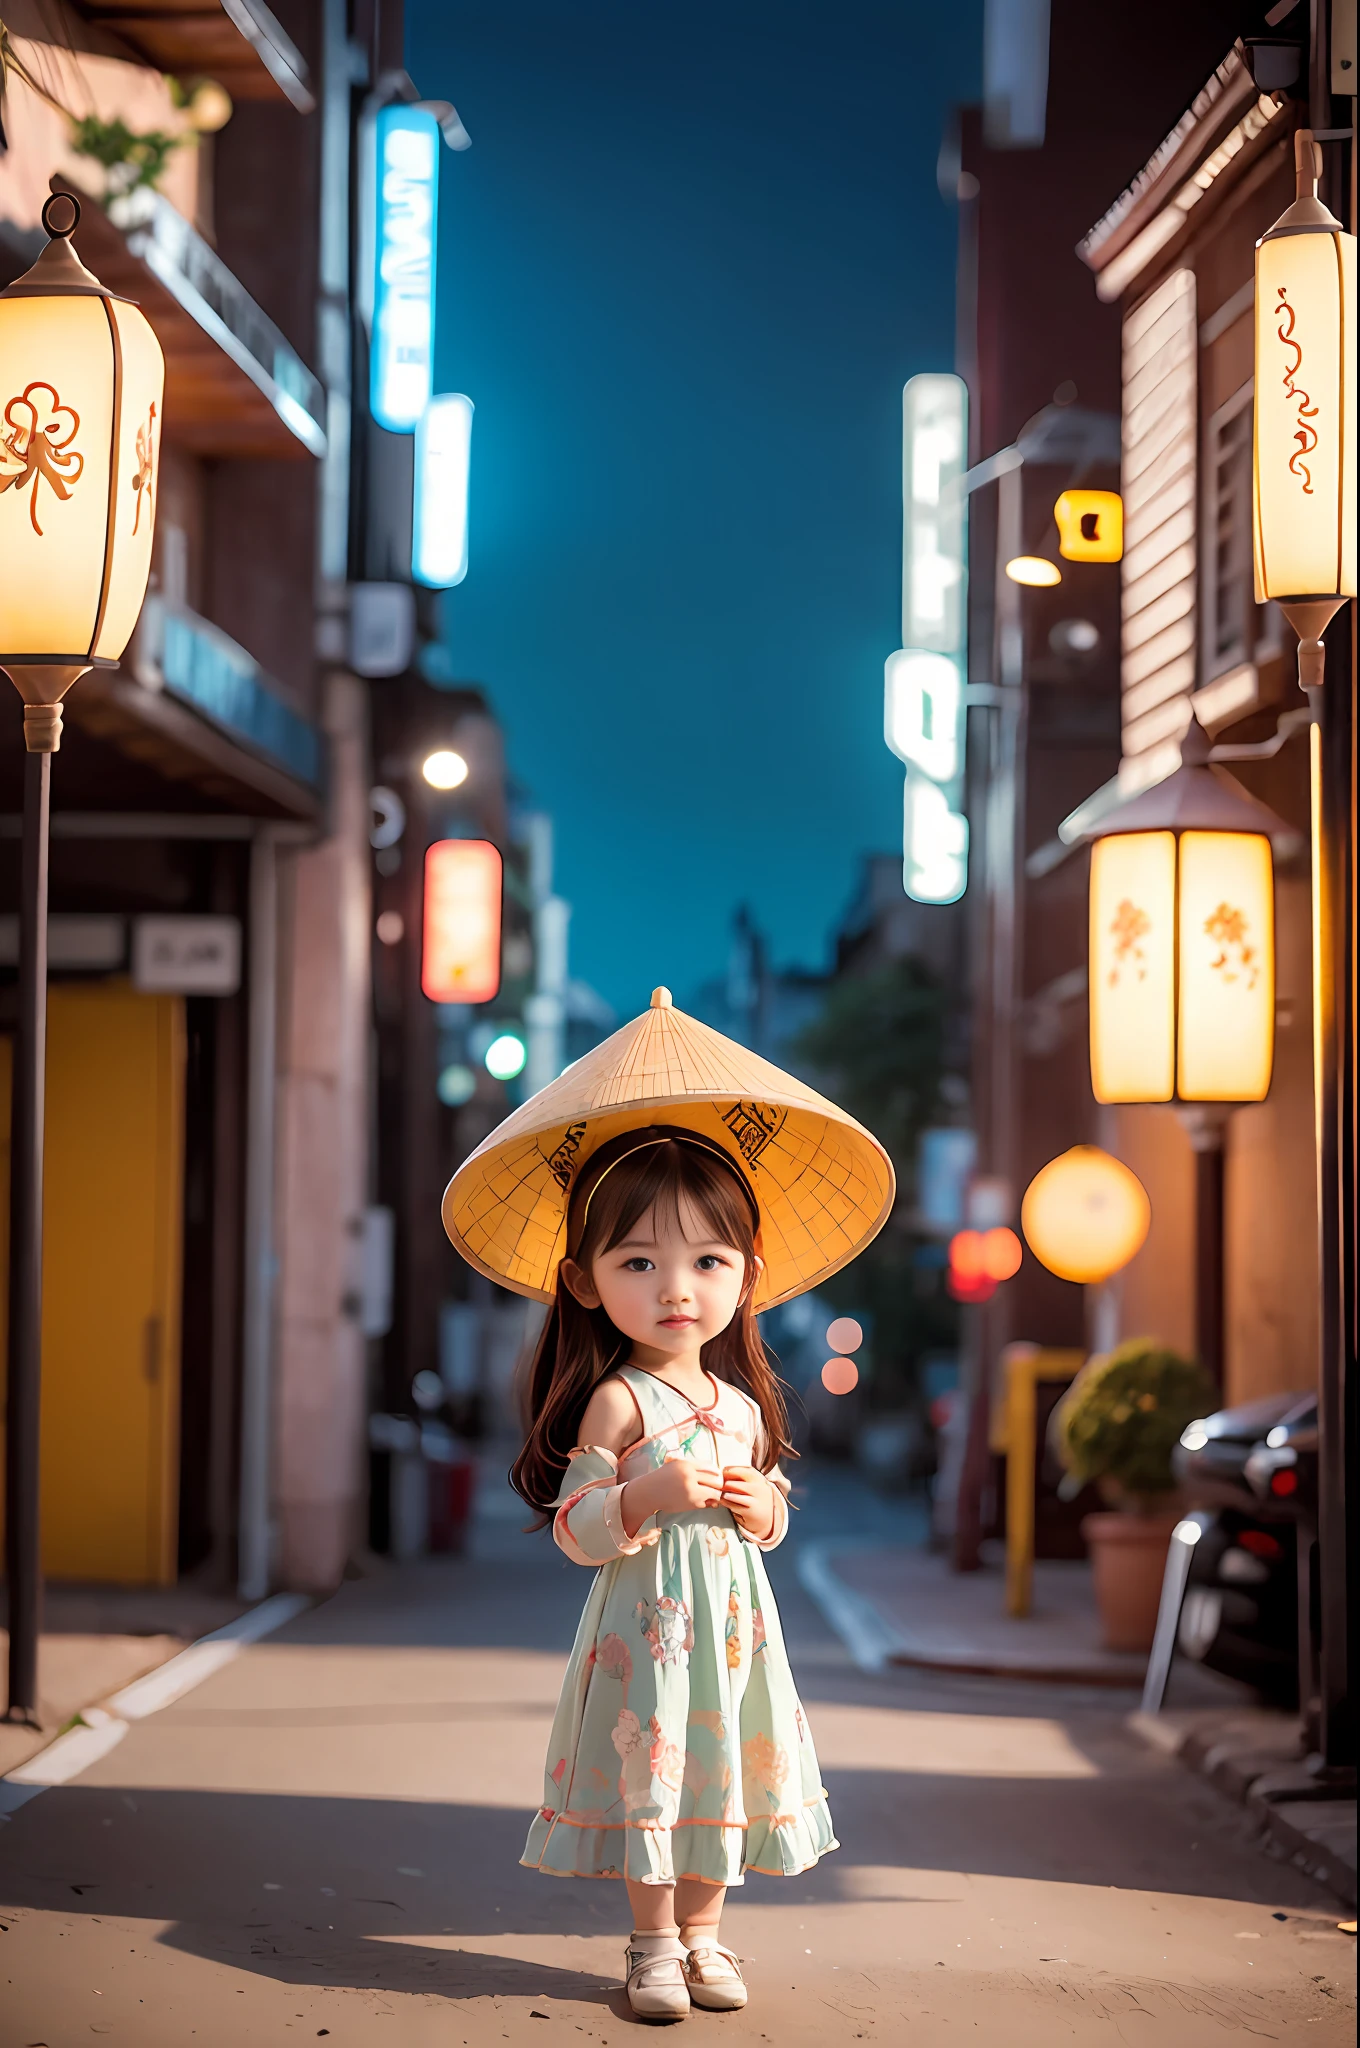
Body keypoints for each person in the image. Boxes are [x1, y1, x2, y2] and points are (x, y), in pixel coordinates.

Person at [441, 988, 893, 2022]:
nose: (675, 1285)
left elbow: (773, 1507)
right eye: (638, 1261)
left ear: (746, 1275)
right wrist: (641, 1490)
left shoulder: (739, 1401)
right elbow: (575, 1525)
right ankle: (650, 1941)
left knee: (719, 1765)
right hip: (647, 1632)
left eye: (706, 1260)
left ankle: (705, 1934)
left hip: (732, 1634)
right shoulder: (618, 1396)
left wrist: (757, 1503)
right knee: (656, 1767)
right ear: (587, 1281)